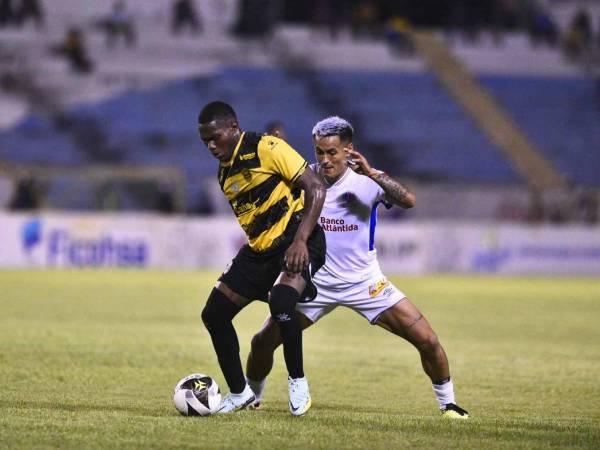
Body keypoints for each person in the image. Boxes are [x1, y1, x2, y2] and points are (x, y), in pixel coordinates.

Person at [246, 116, 469, 419]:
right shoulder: (304, 179)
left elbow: (409, 201)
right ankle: (251, 397)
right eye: (319, 152)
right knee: (261, 342)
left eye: (332, 152)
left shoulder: (367, 181)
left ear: (348, 150)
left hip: (364, 282)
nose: (325, 160)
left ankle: (449, 404)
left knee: (427, 340)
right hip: (316, 282)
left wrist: (374, 173)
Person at [197, 101, 327, 415]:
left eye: (216, 137)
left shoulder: (267, 147)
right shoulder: (224, 173)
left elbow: (316, 187)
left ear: (233, 127)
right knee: (214, 315)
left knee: (281, 304)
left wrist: (300, 240)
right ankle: (240, 393)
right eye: (205, 141)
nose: (212, 146)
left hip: (298, 239)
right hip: (259, 251)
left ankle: (298, 383)